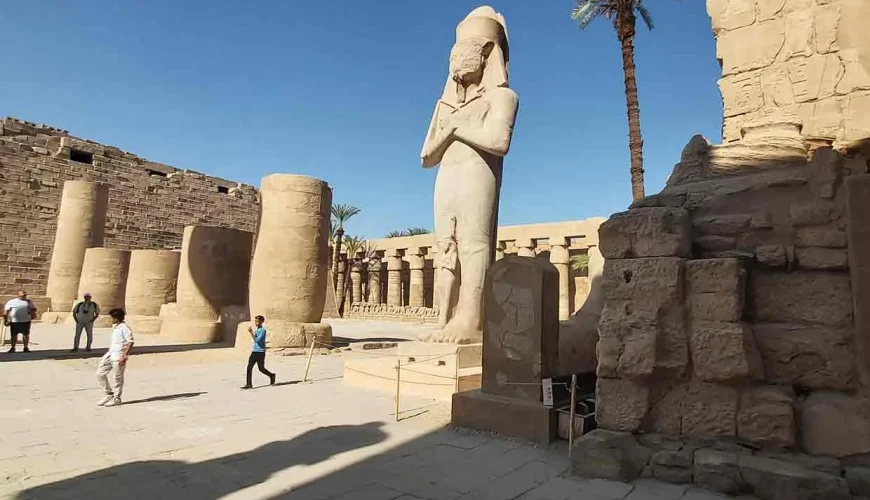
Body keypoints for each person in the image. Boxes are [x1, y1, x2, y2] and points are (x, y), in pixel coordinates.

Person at [96, 308, 134, 407]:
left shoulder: (125, 328)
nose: (111, 319)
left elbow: (130, 342)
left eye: (112, 317)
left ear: (117, 318)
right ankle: (108, 394)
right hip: (111, 354)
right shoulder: (116, 327)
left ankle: (117, 398)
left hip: (119, 356)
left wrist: (124, 356)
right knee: (100, 374)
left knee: (118, 379)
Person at [241, 315, 275, 389]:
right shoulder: (257, 330)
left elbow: (258, 341)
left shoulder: (263, 330)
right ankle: (249, 384)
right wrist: (253, 333)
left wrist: (251, 333)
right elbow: (255, 340)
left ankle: (271, 375)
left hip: (260, 352)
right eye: (255, 321)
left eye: (257, 321)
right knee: (249, 367)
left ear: (262, 322)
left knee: (261, 369)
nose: (256, 323)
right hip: (254, 351)